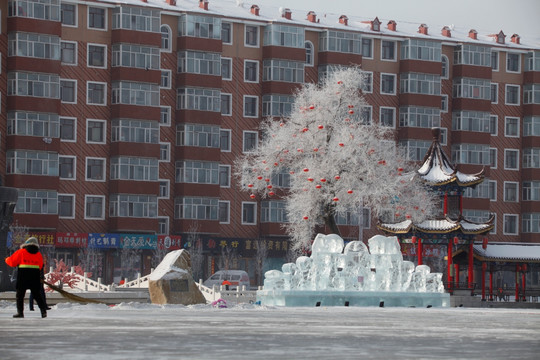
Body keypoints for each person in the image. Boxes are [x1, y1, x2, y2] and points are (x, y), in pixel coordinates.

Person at [5, 237, 48, 318]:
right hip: (34, 276)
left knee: (20, 295)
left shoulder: (21, 252)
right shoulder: (38, 254)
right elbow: (41, 266)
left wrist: (6, 259)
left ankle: (20, 313)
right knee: (37, 295)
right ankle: (43, 311)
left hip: (23, 276)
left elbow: (12, 262)